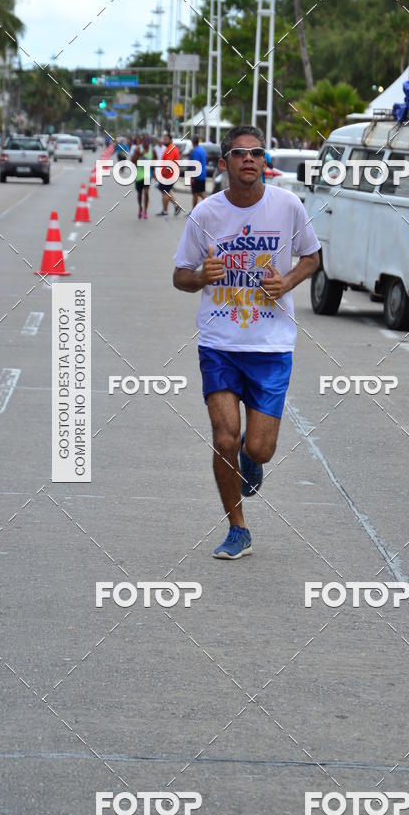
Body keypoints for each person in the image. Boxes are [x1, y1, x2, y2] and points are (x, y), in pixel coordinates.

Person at [173, 125, 320, 559]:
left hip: (271, 344)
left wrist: (288, 280)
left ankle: (249, 457)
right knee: (223, 438)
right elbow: (180, 274)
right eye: (240, 154)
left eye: (257, 153)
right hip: (219, 342)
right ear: (224, 163)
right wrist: (200, 276)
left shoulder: (288, 205)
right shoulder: (205, 214)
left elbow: (312, 257)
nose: (249, 160)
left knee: (258, 448)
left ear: (263, 161)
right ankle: (238, 528)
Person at [156, 132, 180, 217]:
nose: (164, 141)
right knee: (166, 191)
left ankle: (165, 211)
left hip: (169, 175)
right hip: (170, 174)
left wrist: (163, 175)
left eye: (166, 139)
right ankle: (176, 206)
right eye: (164, 139)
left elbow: (168, 164)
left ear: (170, 140)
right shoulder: (171, 148)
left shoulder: (170, 149)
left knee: (165, 192)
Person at [132, 136, 153, 219]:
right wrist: (140, 155)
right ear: (142, 142)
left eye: (147, 141)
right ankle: (140, 208)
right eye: (144, 141)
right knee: (140, 193)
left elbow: (155, 160)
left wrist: (155, 171)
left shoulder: (152, 150)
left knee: (146, 191)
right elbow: (132, 160)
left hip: (148, 174)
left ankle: (145, 211)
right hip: (139, 174)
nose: (146, 143)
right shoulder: (137, 149)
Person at [189, 136, 207, 209]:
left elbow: (195, 164)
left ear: (192, 142)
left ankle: (194, 211)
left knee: (196, 193)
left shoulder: (195, 151)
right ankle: (210, 206)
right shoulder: (202, 150)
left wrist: (192, 177)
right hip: (203, 174)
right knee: (201, 192)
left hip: (197, 175)